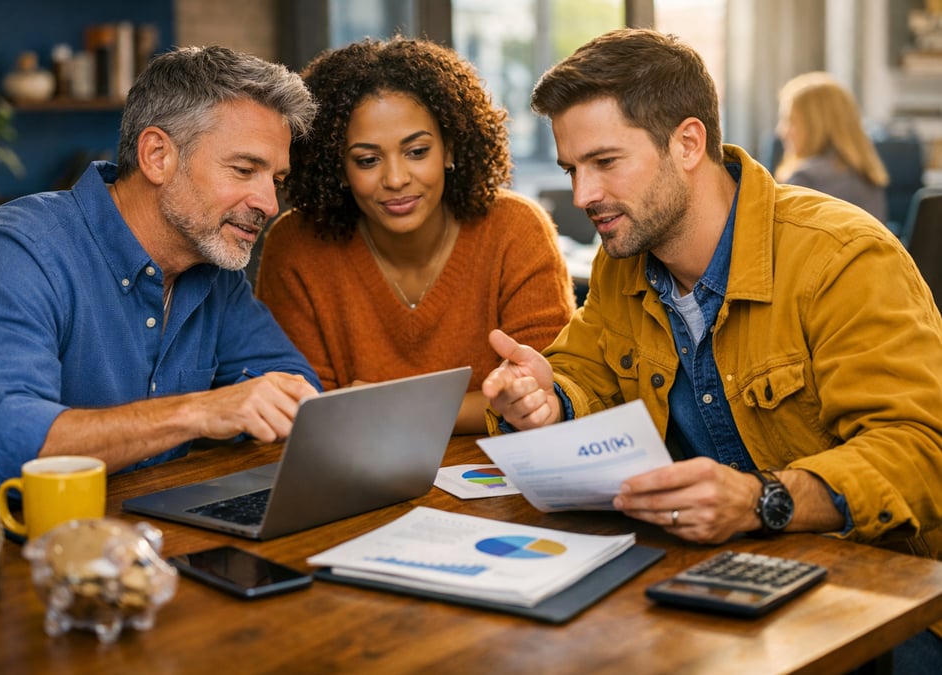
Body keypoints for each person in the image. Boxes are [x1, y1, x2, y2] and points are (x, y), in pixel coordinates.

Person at [481, 29, 942, 670]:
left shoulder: (841, 256)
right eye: (571, 169)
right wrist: (543, 399)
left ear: (688, 143)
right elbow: (579, 368)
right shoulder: (627, 265)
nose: (583, 194)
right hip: (720, 587)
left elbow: (919, 452)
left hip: (886, 602)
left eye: (605, 162)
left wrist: (762, 500)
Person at [0, 46, 323, 508]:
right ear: (157, 155)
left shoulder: (214, 270)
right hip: (2, 558)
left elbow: (292, 386)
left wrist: (259, 405)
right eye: (243, 170)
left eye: (275, 179)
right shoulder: (9, 255)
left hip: (144, 548)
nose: (270, 204)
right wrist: (199, 412)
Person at [255, 37, 575, 434]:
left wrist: (387, 406)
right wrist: (482, 409)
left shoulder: (516, 229)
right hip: (358, 479)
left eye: (417, 151)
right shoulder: (296, 246)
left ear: (450, 148)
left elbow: (545, 393)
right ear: (337, 168)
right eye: (367, 160)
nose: (395, 179)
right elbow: (310, 412)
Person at [775, 71, 889, 224]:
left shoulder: (804, 181)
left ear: (815, 126)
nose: (781, 131)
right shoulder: (867, 175)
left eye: (791, 121)